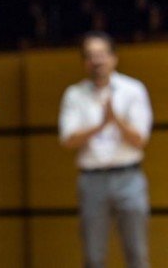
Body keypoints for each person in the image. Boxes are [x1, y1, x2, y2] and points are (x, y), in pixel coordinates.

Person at [59, 31, 152, 268]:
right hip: (92, 180)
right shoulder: (74, 94)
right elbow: (68, 140)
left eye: (101, 54)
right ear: (84, 62)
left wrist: (115, 120)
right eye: (90, 55)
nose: (97, 60)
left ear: (114, 57)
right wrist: (100, 125)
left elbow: (140, 139)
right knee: (93, 256)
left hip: (129, 177)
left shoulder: (133, 89)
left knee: (137, 253)